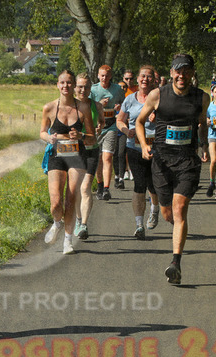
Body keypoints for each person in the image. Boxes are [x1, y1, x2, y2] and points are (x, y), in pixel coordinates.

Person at [136, 54, 210, 285]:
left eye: (186, 71)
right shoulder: (157, 95)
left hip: (188, 161)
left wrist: (204, 145)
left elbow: (202, 123)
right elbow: (139, 122)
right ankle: (176, 226)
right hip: (162, 162)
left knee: (180, 210)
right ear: (171, 73)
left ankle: (175, 263)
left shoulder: (202, 97)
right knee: (168, 214)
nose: (182, 75)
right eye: (178, 71)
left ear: (192, 73)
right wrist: (144, 145)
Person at [41, 70, 96, 254]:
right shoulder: (49, 108)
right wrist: (49, 138)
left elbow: (92, 138)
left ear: (74, 85)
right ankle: (57, 223)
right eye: (62, 82)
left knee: (71, 200)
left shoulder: (83, 108)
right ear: (58, 85)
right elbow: (42, 132)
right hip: (56, 155)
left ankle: (67, 240)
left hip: (77, 156)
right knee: (56, 203)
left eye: (69, 82)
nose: (66, 86)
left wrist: (81, 136)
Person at [116, 65, 161, 241]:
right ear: (137, 79)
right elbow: (119, 120)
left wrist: (159, 118)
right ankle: (139, 225)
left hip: (156, 147)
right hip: (134, 147)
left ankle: (154, 210)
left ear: (154, 80)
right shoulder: (130, 99)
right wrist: (126, 130)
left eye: (149, 77)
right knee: (139, 184)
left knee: (154, 184)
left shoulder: (160, 98)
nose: (145, 79)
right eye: (143, 76)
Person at [74, 72, 104, 240]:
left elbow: (102, 121)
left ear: (91, 88)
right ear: (74, 87)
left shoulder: (96, 105)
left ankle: (84, 225)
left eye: (86, 87)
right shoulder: (70, 106)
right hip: (74, 151)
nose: (83, 90)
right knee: (76, 189)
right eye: (80, 87)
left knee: (85, 187)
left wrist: (99, 127)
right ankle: (78, 219)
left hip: (91, 149)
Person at [90, 65, 126, 201]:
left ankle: (106, 189)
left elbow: (124, 104)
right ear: (98, 76)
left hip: (111, 126)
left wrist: (119, 107)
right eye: (102, 75)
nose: (104, 78)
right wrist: (99, 104)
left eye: (107, 75)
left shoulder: (117, 89)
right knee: (99, 159)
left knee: (107, 157)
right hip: (97, 127)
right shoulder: (93, 89)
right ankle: (99, 186)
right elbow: (87, 106)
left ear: (111, 76)